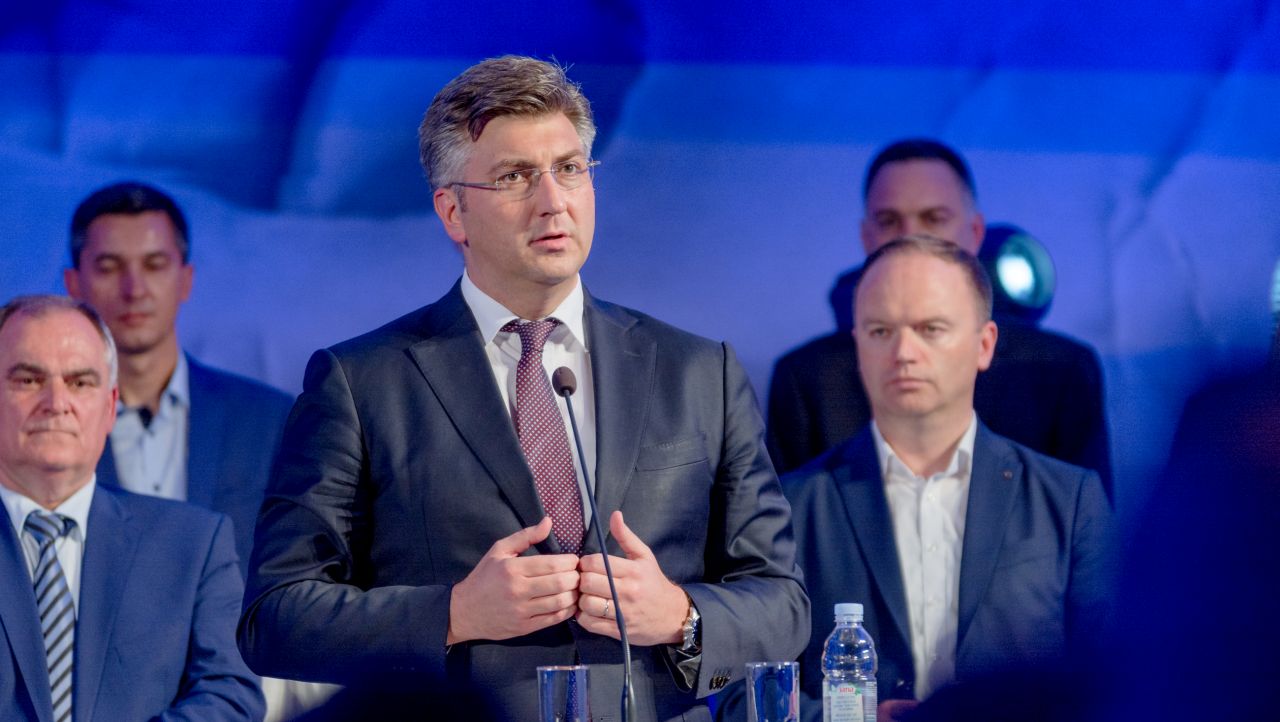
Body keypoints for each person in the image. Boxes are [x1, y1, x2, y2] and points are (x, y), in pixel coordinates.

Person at [238, 55, 809, 721]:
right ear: (453, 212)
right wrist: (454, 613)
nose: (553, 201)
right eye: (514, 177)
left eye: (569, 169)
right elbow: (275, 616)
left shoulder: (699, 372)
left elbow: (784, 604)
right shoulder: (362, 383)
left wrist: (681, 615)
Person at [722, 237, 1113, 722]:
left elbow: (1117, 678)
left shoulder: (1069, 501)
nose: (904, 352)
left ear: (984, 344)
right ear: (858, 346)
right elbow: (743, 692)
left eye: (931, 329)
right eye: (880, 331)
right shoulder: (793, 508)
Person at [766, 139, 1112, 497]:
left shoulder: (1060, 372)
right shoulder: (807, 379)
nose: (910, 237)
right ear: (866, 237)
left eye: (934, 218)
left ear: (975, 233)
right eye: (889, 221)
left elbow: (1084, 520)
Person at [0, 294, 263, 721]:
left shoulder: (194, 544)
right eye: (28, 380)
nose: (56, 401)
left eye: (80, 382)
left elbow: (230, 693)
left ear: (109, 408)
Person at [63, 181, 293, 574]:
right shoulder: (45, 423)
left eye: (154, 265)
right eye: (109, 267)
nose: (134, 289)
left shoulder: (270, 420)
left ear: (186, 279)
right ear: (74, 285)